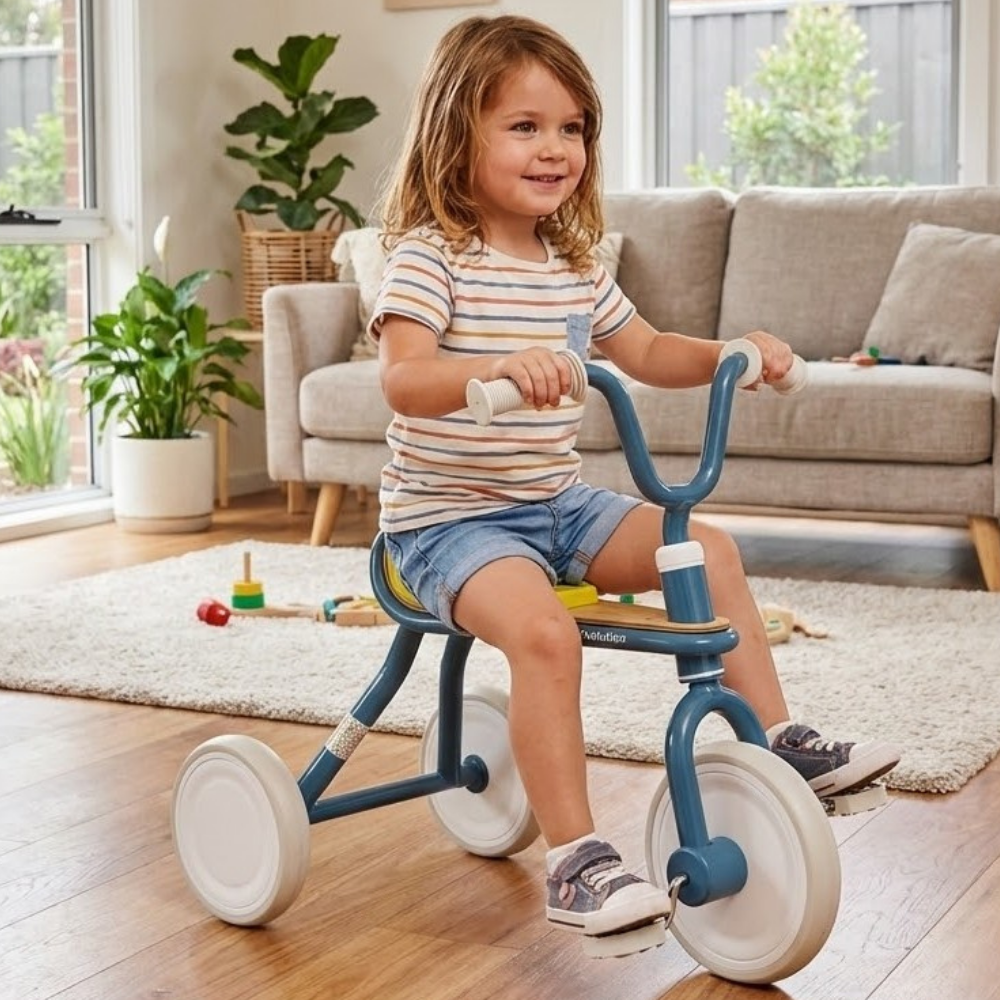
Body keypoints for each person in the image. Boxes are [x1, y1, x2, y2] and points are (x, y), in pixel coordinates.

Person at [368, 14, 900, 945]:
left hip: (556, 506)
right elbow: (404, 379)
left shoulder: (574, 266)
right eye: (525, 126)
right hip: (445, 525)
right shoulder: (430, 257)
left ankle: (777, 744)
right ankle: (575, 860)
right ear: (457, 132)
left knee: (708, 549)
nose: (555, 148)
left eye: (572, 127)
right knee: (542, 633)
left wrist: (734, 351)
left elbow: (647, 350)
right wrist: (496, 372)